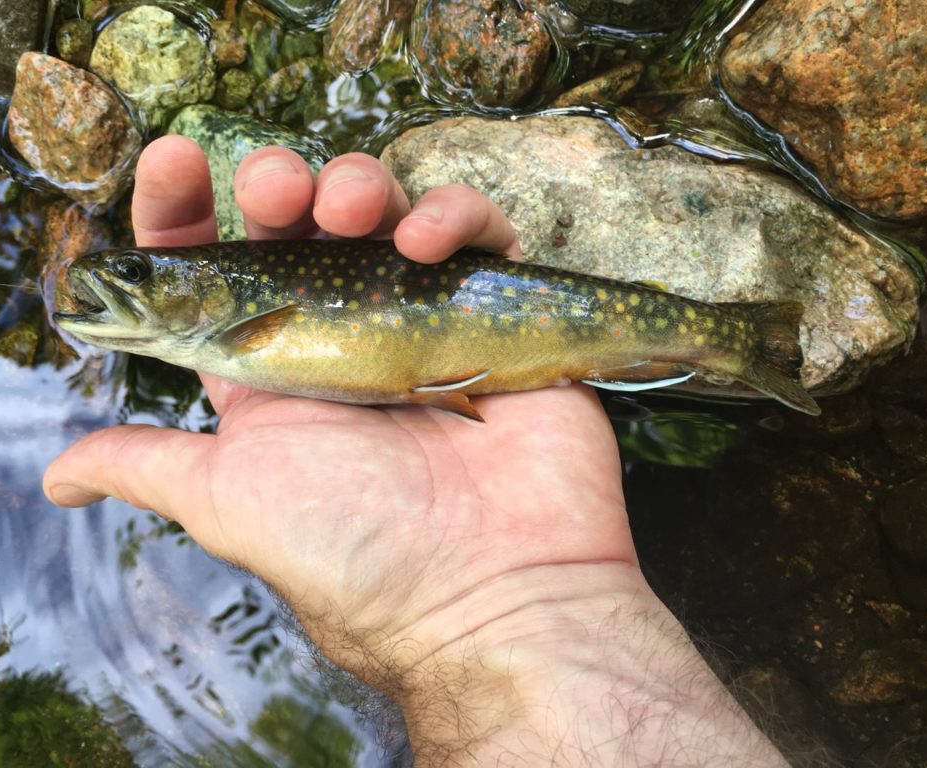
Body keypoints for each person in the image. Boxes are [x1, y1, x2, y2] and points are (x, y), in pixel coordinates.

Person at [44, 136, 790, 766]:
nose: (111, 284)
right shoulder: (225, 337)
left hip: (488, 355)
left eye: (137, 274)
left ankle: (739, 336)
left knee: (391, 223)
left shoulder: (235, 331)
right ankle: (740, 337)